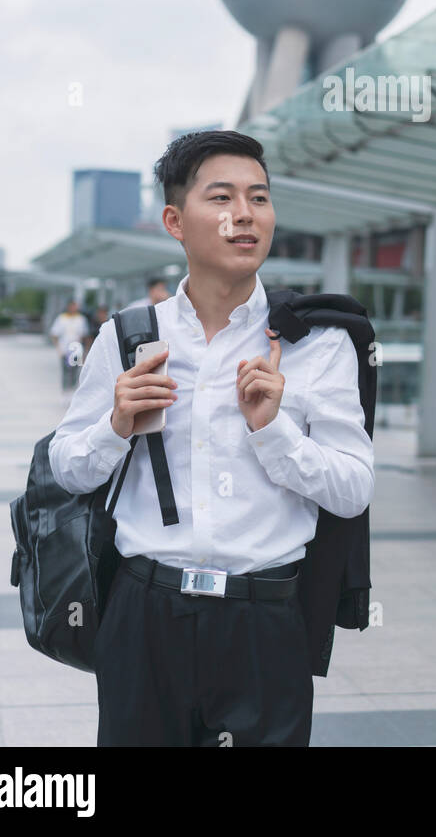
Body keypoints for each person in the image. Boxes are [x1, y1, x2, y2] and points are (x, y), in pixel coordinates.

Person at [49, 129, 374, 748]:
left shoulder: (317, 343)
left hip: (266, 619)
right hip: (144, 613)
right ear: (175, 220)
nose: (244, 215)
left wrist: (272, 430)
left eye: (259, 197)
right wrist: (115, 425)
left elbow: (354, 490)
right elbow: (67, 468)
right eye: (221, 198)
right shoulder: (127, 336)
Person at [49, 299, 90, 392]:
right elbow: (54, 334)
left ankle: (72, 390)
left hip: (76, 349)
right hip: (64, 349)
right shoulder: (61, 318)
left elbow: (84, 335)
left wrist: (85, 351)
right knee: (66, 371)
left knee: (75, 371)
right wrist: (58, 348)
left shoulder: (81, 319)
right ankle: (65, 390)